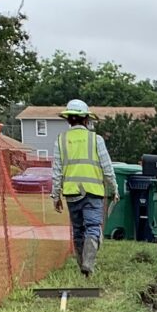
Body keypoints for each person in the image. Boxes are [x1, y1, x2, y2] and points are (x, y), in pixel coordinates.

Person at [52, 99, 118, 277]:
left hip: (72, 193)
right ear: (86, 120)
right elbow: (107, 167)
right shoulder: (96, 139)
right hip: (93, 192)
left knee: (78, 229)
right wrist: (115, 188)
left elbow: (57, 171)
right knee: (93, 227)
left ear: (68, 120)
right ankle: (88, 263)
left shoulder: (61, 140)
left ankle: (84, 268)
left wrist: (55, 196)